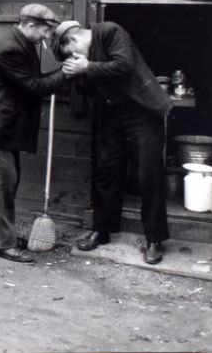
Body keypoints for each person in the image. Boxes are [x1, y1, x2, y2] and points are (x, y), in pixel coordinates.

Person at [52, 20, 172, 264]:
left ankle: (154, 239)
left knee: (148, 174)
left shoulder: (110, 31)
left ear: (74, 41)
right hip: (111, 115)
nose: (76, 58)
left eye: (73, 54)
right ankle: (102, 230)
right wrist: (74, 76)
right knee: (106, 170)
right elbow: (88, 87)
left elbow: (124, 66)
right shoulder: (85, 60)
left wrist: (87, 66)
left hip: (143, 112)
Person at [0, 4, 67, 263]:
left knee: (8, 184)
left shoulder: (24, 44)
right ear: (28, 25)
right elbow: (34, 86)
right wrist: (66, 73)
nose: (46, 37)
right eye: (44, 31)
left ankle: (5, 236)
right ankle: (2, 244)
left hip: (7, 128)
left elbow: (33, 81)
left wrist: (61, 73)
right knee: (0, 188)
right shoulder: (11, 49)